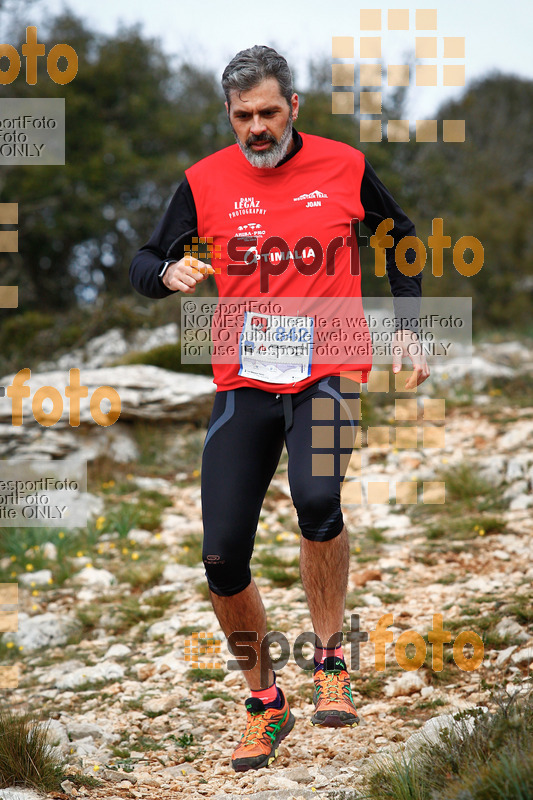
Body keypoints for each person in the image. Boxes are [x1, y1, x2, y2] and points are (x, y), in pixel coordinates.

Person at [129, 44, 429, 772]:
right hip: (244, 382)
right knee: (221, 555)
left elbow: (401, 240)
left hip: (328, 364)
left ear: (292, 107)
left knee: (317, 499)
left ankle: (332, 661)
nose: (256, 128)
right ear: (228, 115)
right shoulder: (203, 181)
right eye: (242, 117)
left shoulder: (343, 167)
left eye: (268, 112)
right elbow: (141, 262)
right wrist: (167, 271)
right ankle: (265, 705)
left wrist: (410, 326)